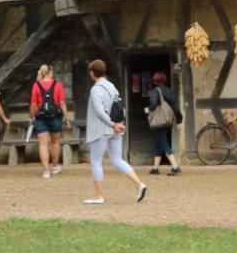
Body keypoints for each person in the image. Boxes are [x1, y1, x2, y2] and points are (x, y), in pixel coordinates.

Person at [82, 58, 147, 205]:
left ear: (92, 73)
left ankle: (99, 196)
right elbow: (120, 106)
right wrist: (119, 124)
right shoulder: (112, 86)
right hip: (115, 129)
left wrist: (112, 124)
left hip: (101, 130)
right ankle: (139, 184)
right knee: (117, 159)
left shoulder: (96, 89)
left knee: (96, 162)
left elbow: (99, 111)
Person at [30, 64, 70, 179]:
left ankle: (46, 171)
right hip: (55, 117)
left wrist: (32, 116)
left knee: (42, 144)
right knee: (55, 142)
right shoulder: (58, 85)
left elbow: (33, 104)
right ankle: (55, 166)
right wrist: (66, 118)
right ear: (51, 72)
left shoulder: (36, 85)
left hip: (40, 117)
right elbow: (62, 103)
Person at [146, 71, 183, 176]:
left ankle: (175, 167)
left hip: (159, 121)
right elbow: (175, 107)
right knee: (159, 142)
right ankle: (155, 168)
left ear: (154, 81)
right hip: (167, 120)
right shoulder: (169, 91)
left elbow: (153, 103)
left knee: (163, 143)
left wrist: (149, 109)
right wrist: (179, 120)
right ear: (164, 80)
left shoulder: (155, 91)